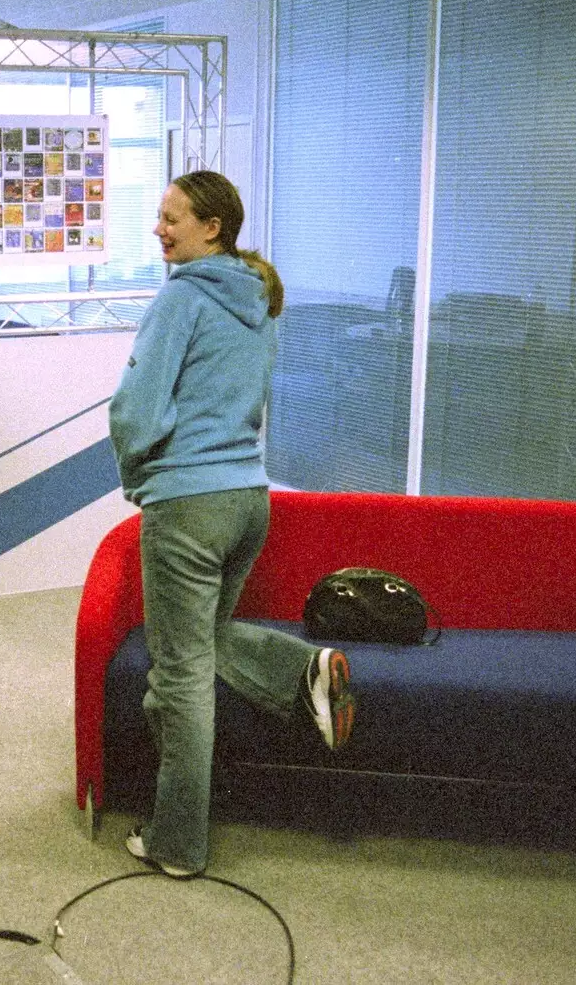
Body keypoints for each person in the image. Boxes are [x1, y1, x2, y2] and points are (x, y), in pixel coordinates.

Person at [108, 170, 358, 878]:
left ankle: (178, 842)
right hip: (249, 498)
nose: (159, 229)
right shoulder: (259, 300)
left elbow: (137, 409)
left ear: (211, 227)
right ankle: (298, 668)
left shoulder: (181, 298)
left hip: (188, 505)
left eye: (171, 218)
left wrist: (140, 477)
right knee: (200, 642)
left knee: (180, 672)